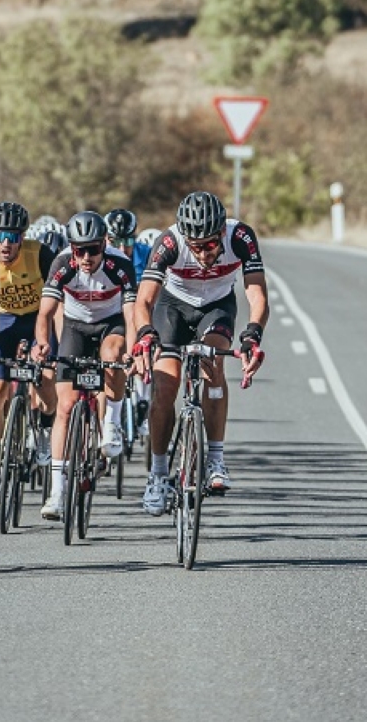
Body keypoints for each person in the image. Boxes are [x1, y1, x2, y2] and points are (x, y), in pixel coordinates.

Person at [132, 191, 268, 516]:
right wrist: (144, 333)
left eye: (210, 245)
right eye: (196, 247)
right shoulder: (170, 242)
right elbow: (144, 302)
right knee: (165, 386)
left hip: (217, 307)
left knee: (214, 364)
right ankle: (158, 474)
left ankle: (216, 460)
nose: (204, 253)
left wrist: (252, 335)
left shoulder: (240, 237)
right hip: (173, 308)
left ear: (222, 232)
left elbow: (257, 294)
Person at [33, 211, 139, 521]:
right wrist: (43, 344)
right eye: (80, 250)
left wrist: (133, 352)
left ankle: (112, 424)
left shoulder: (120, 264)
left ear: (105, 244)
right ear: (72, 248)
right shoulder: (62, 264)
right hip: (76, 328)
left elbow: (131, 316)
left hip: (110, 325)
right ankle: (57, 491)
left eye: (94, 249)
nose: (87, 257)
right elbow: (45, 314)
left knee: (114, 354)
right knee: (65, 408)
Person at [0, 200, 60, 503]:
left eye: (14, 237)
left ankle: (46, 430)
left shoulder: (40, 254)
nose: (6, 244)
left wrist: (49, 343)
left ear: (23, 236)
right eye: (0, 236)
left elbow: (58, 300)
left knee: (46, 378)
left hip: (38, 318)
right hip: (3, 321)